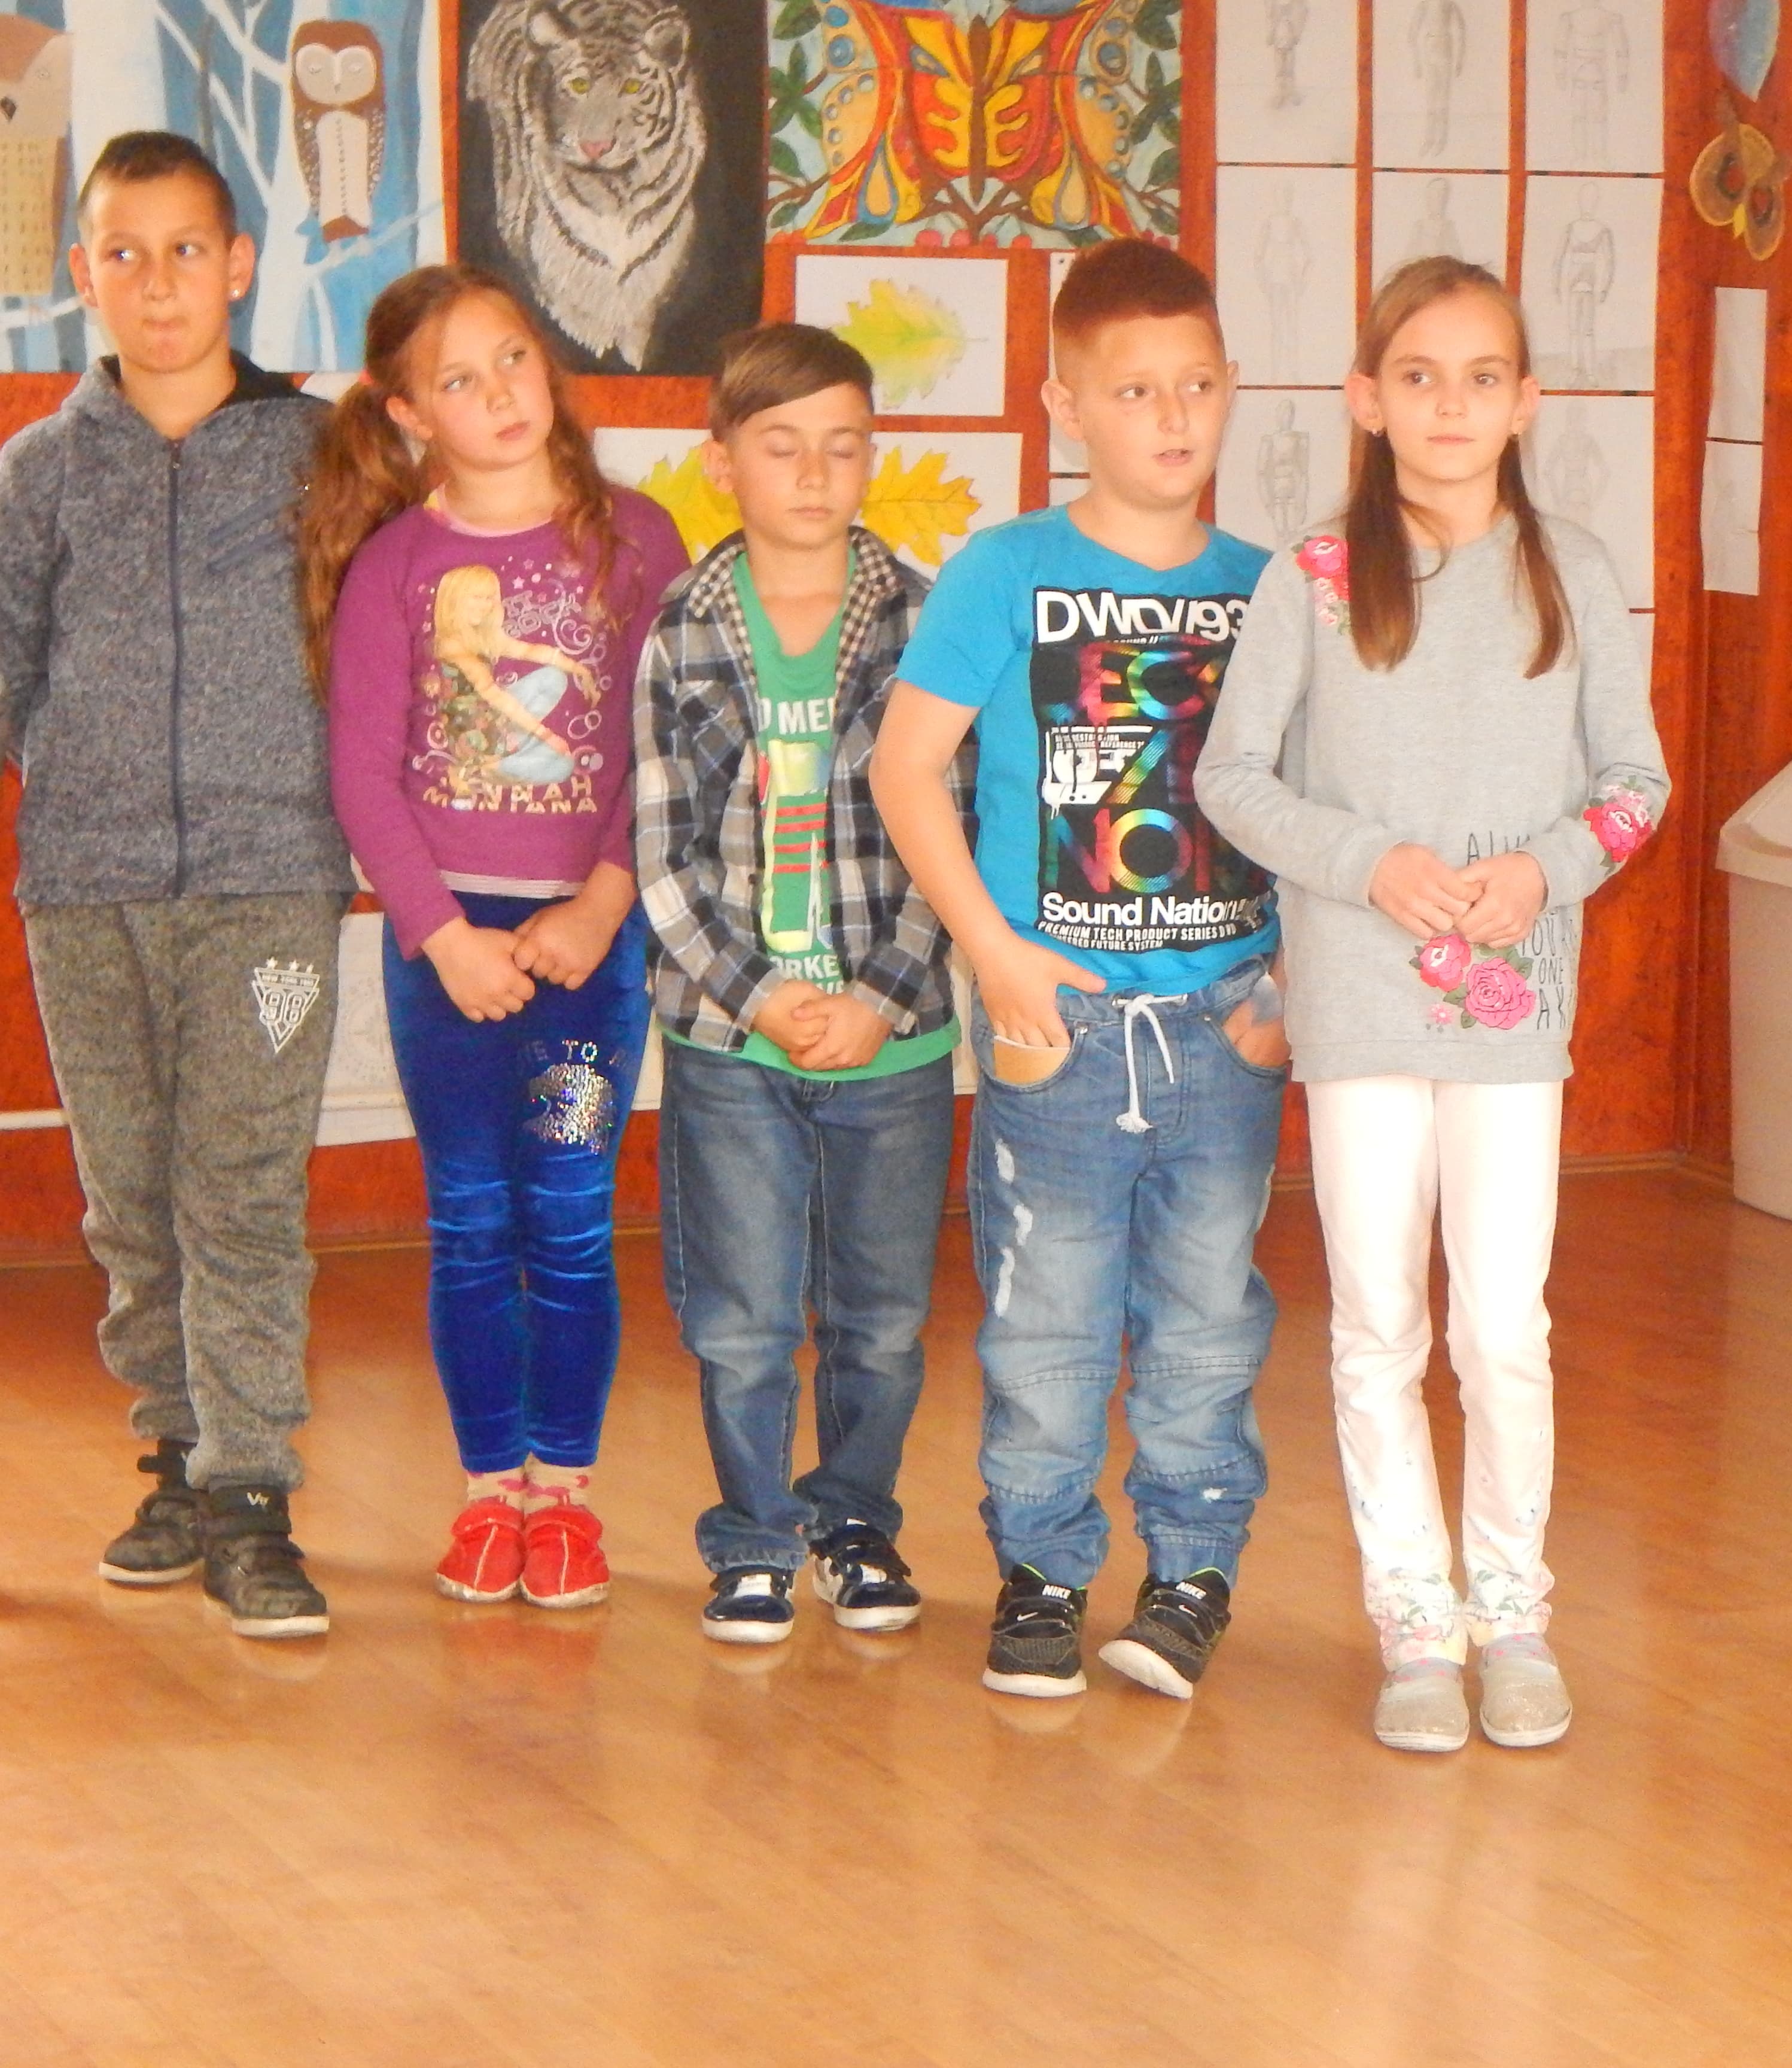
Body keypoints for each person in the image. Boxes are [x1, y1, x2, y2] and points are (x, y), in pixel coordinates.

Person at [1200, 257, 1668, 1754]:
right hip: (1356, 1004)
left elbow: (1635, 784)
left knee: (1503, 1327)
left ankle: (1511, 1613)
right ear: (1366, 399)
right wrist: (1368, 863)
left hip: (1511, 1013)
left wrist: (1543, 873)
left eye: (1481, 378)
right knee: (1377, 1325)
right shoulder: (1312, 577)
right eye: (1418, 376)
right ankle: (1416, 1625)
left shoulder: (1572, 571)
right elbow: (1230, 777)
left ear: (1527, 401)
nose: (1450, 405)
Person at [871, 239, 1288, 1702]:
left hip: (1225, 1025)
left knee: (1207, 1321)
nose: (1172, 417)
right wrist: (996, 958)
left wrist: (1286, 992)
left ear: (1232, 388)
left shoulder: (1272, 592)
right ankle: (1042, 1572)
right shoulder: (1005, 572)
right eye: (1133, 391)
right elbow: (905, 770)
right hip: (1056, 1026)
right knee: (1045, 1324)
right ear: (1065, 407)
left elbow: (1323, 806)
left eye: (1196, 386)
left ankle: (1191, 1573)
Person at [0, 134, 355, 1640]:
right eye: (125, 254)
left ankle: (252, 1495)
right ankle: (177, 1460)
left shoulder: (323, 454)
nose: (158, 284)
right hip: (87, 893)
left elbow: (388, 654)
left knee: (244, 1189)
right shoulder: (37, 472)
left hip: (273, 887)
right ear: (83, 274)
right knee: (132, 1200)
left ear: (240, 266)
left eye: (187, 250)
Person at [306, 264, 688, 1609]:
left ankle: (564, 1497)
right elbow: (365, 777)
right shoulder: (394, 568)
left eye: (513, 358)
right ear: (411, 414)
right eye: (458, 381)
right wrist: (441, 934)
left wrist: (602, 900)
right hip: (446, 956)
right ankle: (489, 1496)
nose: (500, 394)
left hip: (593, 948)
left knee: (571, 1216)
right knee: (471, 1220)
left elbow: (670, 747)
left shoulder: (639, 539)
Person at [633, 323, 960, 1645]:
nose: (816, 475)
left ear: (873, 457)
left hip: (897, 1040)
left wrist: (879, 995)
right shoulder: (683, 628)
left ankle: (855, 1520)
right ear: (722, 464)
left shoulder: (928, 620)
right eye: (782, 448)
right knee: (744, 1317)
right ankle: (756, 1536)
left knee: (882, 1317)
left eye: (843, 446)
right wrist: (761, 996)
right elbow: (663, 859)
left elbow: (958, 834)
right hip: (733, 1045)